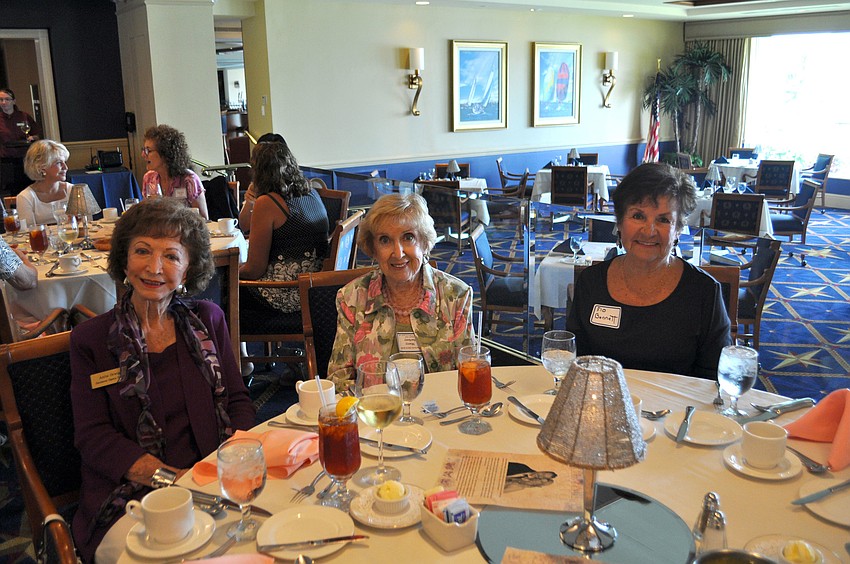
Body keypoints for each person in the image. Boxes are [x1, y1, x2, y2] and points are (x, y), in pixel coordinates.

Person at [69, 197, 254, 561]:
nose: (155, 267)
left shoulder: (209, 319)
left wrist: (231, 464)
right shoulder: (91, 340)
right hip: (130, 497)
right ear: (124, 259)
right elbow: (93, 436)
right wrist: (172, 480)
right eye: (142, 251)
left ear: (187, 271)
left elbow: (238, 400)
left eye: (171, 256)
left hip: (214, 481)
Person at [566, 162, 731, 379]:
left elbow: (714, 379)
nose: (649, 231)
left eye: (663, 220)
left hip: (677, 410)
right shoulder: (591, 282)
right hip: (603, 407)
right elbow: (577, 363)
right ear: (620, 222)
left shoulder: (704, 291)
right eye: (638, 216)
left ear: (679, 229)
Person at [327, 193, 473, 379]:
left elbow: (469, 374)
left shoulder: (456, 296)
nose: (398, 253)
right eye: (385, 240)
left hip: (440, 407)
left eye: (408, 237)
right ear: (373, 248)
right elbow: (339, 378)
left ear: (424, 242)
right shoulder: (351, 297)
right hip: (375, 406)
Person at [238, 141, 329, 313]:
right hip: (314, 288)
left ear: (258, 172)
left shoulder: (268, 203)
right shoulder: (311, 192)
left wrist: (229, 271)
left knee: (221, 291)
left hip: (286, 293)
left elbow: (254, 270)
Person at [140, 124, 209, 219]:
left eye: (148, 151)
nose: (143, 154)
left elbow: (203, 219)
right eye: (143, 150)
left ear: (165, 153)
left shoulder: (189, 180)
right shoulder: (149, 178)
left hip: (185, 231)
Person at [237, 132, 287, 234]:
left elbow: (257, 248)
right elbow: (244, 225)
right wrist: (249, 203)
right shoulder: (307, 189)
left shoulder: (270, 199)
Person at [16, 139, 71, 226]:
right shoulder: (26, 197)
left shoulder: (73, 190)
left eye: (65, 162)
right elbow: (28, 233)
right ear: (41, 167)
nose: (65, 167)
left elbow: (88, 225)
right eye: (59, 163)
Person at [0, 88, 41, 196]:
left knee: (28, 188)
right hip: (6, 161)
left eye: (7, 99)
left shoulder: (24, 116)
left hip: (25, 159)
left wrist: (33, 137)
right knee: (9, 190)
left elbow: (37, 134)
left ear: (14, 101)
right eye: (1, 100)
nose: (4, 102)